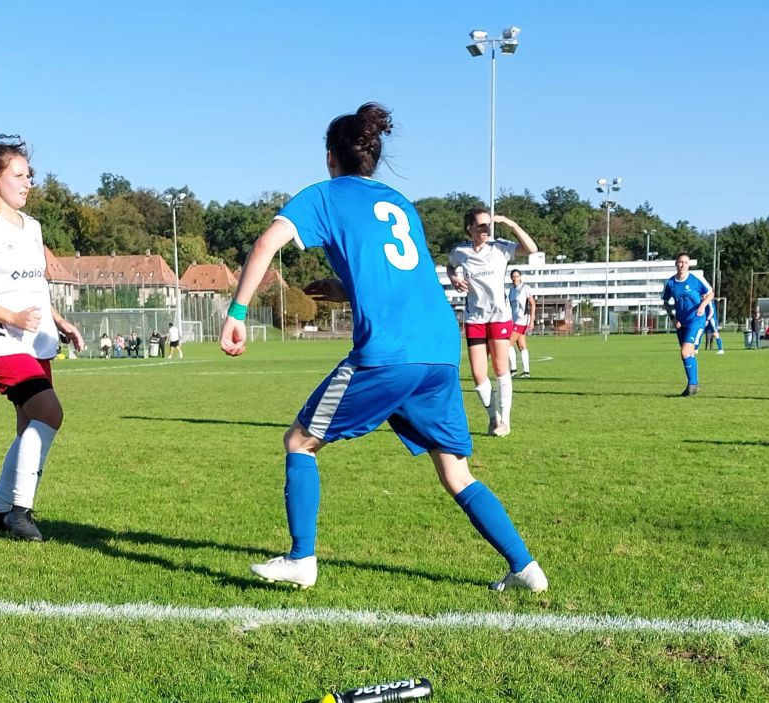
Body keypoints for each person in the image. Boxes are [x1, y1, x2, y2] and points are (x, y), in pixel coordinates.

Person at [219, 103, 547, 593]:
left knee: (299, 442)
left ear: (331, 157)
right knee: (455, 470)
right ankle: (526, 569)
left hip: (388, 353)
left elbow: (267, 243)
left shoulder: (324, 196)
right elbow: (398, 275)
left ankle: (301, 559)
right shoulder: (400, 203)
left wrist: (237, 313)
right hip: (438, 350)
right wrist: (342, 285)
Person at [0, 134, 84, 541]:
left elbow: (35, 288)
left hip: (37, 340)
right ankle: (20, 514)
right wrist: (10, 316)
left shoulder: (33, 228)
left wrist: (59, 320)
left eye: (30, 175)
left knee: (30, 424)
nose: (28, 183)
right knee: (50, 414)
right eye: (20, 174)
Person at [447, 210, 538, 437]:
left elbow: (532, 249)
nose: (485, 230)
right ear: (469, 228)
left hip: (499, 316)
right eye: (480, 226)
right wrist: (454, 278)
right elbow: (450, 266)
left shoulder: (500, 248)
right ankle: (493, 418)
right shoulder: (461, 252)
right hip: (475, 318)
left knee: (500, 368)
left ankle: (505, 421)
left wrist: (510, 222)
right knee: (478, 373)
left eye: (488, 226)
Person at [662, 252, 713, 396]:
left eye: (685, 262)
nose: (682, 265)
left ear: (688, 265)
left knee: (685, 352)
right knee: (688, 354)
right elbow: (665, 303)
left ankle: (692, 385)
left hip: (696, 320)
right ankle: (693, 385)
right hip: (681, 323)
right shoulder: (671, 283)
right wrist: (673, 319)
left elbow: (710, 293)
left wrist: (703, 305)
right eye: (680, 262)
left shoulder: (695, 280)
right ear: (676, 264)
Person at [508, 268, 536, 378]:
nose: (515, 278)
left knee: (507, 343)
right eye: (513, 276)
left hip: (522, 320)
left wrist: (531, 320)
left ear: (520, 277)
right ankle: (526, 372)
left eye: (517, 276)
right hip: (514, 321)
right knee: (522, 346)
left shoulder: (525, 288)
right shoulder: (511, 290)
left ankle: (513, 369)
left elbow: (532, 304)